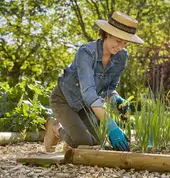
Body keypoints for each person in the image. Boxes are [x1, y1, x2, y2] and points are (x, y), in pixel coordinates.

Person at [43, 11, 144, 152]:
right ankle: (56, 128)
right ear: (107, 33)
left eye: (125, 43)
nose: (120, 47)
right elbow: (89, 94)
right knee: (83, 142)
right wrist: (112, 126)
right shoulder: (86, 53)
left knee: (99, 141)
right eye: (118, 40)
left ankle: (72, 134)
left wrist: (116, 98)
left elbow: (109, 88)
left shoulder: (122, 57)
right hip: (64, 99)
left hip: (85, 106)